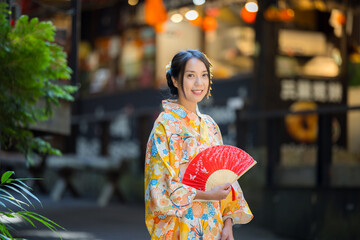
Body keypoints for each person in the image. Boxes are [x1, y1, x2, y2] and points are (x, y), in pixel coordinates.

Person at [144, 49, 253, 240]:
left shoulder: (210, 125)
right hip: (182, 225)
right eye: (190, 76)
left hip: (214, 226)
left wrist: (228, 222)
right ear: (176, 80)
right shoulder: (164, 127)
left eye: (204, 75)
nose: (199, 83)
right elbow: (160, 187)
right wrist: (208, 194)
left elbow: (226, 179)